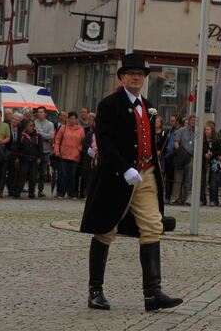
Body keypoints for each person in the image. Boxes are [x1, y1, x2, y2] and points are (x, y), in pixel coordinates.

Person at [80, 52, 182, 313]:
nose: (136, 78)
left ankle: (153, 293)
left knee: (152, 226)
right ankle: (95, 291)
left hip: (146, 175)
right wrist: (124, 168)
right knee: (105, 229)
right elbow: (105, 142)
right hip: (117, 176)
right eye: (131, 74)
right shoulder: (108, 105)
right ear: (122, 77)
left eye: (141, 75)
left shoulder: (147, 105)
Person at [54, 111, 85, 199]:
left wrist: (79, 150)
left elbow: (83, 142)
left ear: (76, 119)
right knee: (63, 174)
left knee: (73, 175)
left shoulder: (81, 129)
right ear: (68, 119)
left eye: (73, 118)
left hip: (75, 156)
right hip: (63, 155)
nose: (71, 120)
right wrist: (56, 151)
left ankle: (72, 193)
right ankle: (61, 192)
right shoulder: (63, 128)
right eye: (70, 118)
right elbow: (57, 140)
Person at [13, 119, 43, 199]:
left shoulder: (38, 136)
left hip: (34, 159)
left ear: (33, 127)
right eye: (28, 126)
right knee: (22, 176)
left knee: (33, 177)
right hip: (24, 159)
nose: (29, 127)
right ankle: (17, 191)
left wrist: (39, 158)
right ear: (26, 127)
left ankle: (31, 192)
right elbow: (18, 148)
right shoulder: (22, 135)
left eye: (31, 126)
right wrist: (17, 158)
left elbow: (40, 148)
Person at [170, 114, 195, 205]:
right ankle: (175, 198)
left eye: (195, 120)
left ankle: (187, 198)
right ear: (189, 121)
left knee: (188, 179)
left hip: (191, 157)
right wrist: (180, 153)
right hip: (181, 157)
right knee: (178, 178)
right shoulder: (181, 130)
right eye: (192, 120)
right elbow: (176, 142)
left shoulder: (197, 133)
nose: (193, 122)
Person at [200, 121, 221, 206]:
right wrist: (204, 154)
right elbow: (199, 150)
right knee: (202, 182)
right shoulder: (202, 140)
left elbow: (220, 151)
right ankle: (202, 199)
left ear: (212, 130)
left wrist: (212, 154)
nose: (206, 131)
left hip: (213, 164)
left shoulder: (216, 141)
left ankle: (213, 200)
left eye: (208, 130)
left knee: (213, 183)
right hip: (203, 163)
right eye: (205, 130)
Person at [34, 105, 55, 197]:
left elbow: (51, 136)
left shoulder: (50, 124)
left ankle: (41, 190)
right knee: (34, 171)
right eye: (38, 112)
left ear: (45, 114)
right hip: (35, 151)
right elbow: (33, 134)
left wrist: (39, 134)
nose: (39, 114)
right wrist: (43, 136)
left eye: (41, 112)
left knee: (43, 172)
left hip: (45, 151)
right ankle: (32, 189)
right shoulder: (34, 123)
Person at [162, 116, 182, 203]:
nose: (171, 122)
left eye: (173, 121)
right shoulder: (169, 131)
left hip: (177, 156)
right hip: (168, 156)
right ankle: (167, 196)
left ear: (177, 121)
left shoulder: (181, 131)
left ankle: (176, 197)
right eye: (170, 121)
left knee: (177, 178)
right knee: (168, 178)